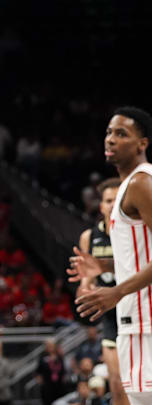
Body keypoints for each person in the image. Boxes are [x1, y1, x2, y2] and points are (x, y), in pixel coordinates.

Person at [70, 106, 152, 405]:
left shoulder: (142, 183)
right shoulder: (129, 188)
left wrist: (116, 291)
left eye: (121, 134)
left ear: (142, 143)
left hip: (147, 322)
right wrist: (102, 266)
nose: (111, 139)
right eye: (108, 133)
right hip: (136, 320)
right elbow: (140, 259)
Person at [72, 178, 128, 405]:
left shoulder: (137, 231)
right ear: (101, 206)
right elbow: (85, 282)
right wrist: (85, 292)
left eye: (117, 200)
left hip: (137, 308)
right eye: (108, 200)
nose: (113, 204)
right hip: (110, 316)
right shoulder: (89, 237)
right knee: (116, 381)